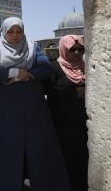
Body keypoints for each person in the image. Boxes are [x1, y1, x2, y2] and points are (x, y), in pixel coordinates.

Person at [0, 17, 71, 191]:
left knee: (38, 148)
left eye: (19, 31)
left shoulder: (33, 47)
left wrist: (28, 74)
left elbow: (47, 68)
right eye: (11, 32)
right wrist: (14, 72)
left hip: (33, 107)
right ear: (3, 32)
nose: (15, 35)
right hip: (4, 110)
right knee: (6, 148)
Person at [45, 35, 88, 191]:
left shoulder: (86, 66)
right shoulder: (54, 67)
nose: (77, 53)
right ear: (63, 49)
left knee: (83, 159)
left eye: (80, 49)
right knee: (65, 158)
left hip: (83, 124)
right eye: (72, 50)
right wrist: (76, 93)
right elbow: (48, 91)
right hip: (62, 124)